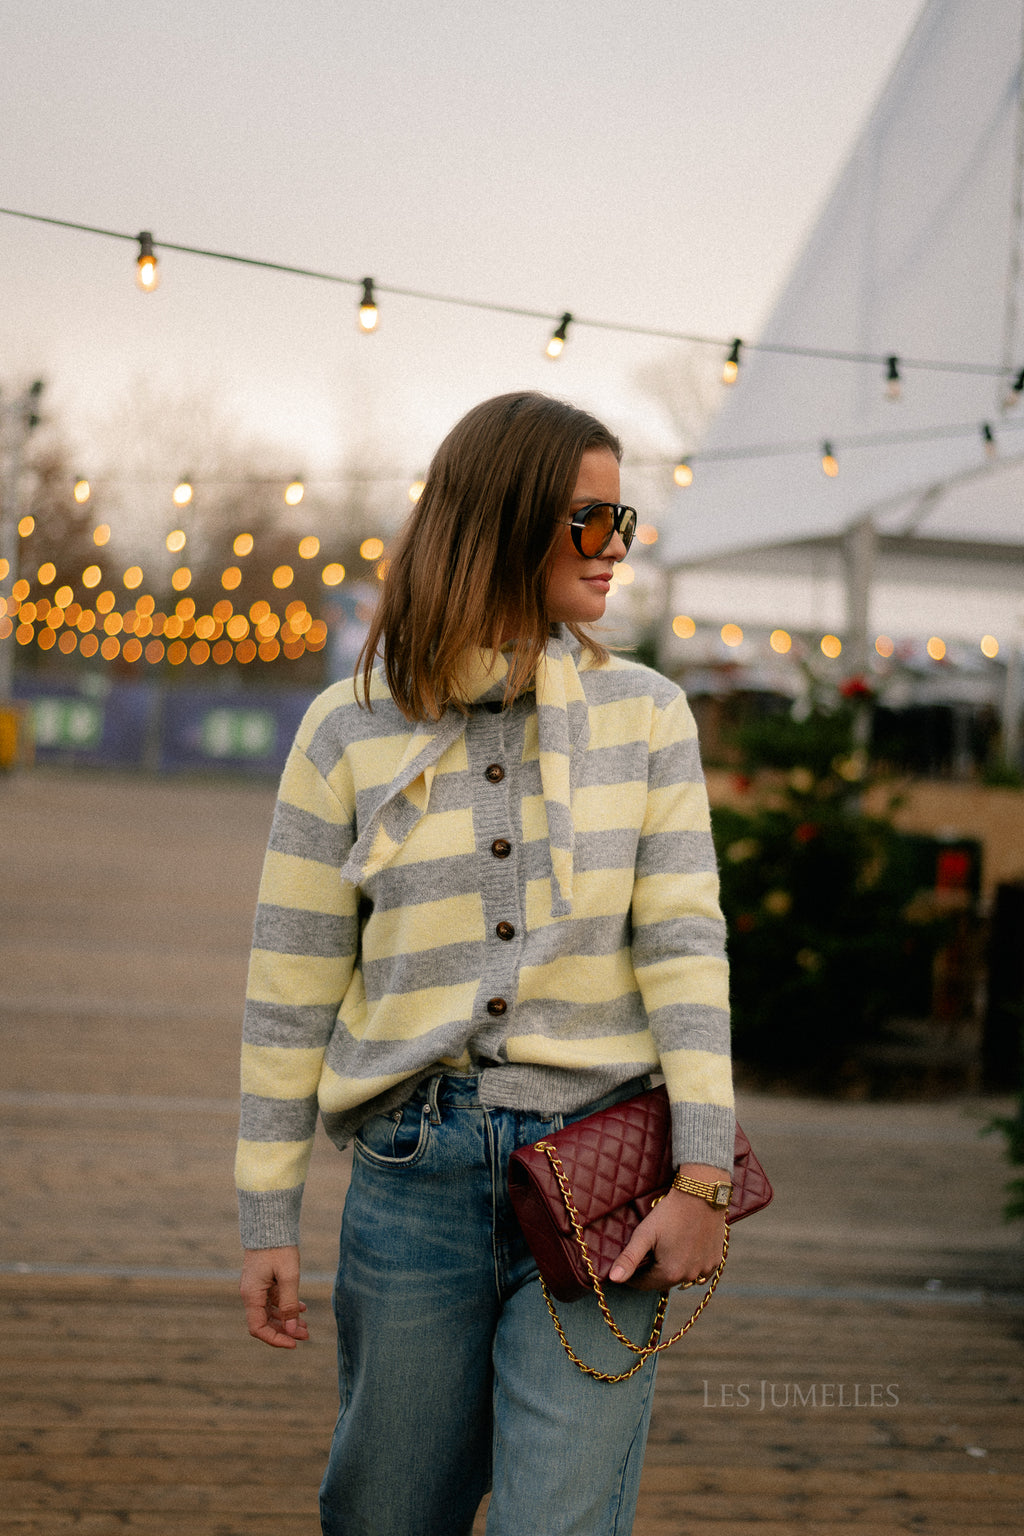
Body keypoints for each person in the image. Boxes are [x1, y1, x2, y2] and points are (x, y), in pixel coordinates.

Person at [236, 391, 734, 1536]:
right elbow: (290, 984)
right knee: (382, 1512)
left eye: (626, 521)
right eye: (589, 521)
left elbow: (683, 947)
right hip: (414, 1172)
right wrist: (268, 1215)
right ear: (503, 519)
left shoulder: (647, 718)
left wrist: (702, 1178)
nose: (617, 549)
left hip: (606, 1175)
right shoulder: (347, 730)